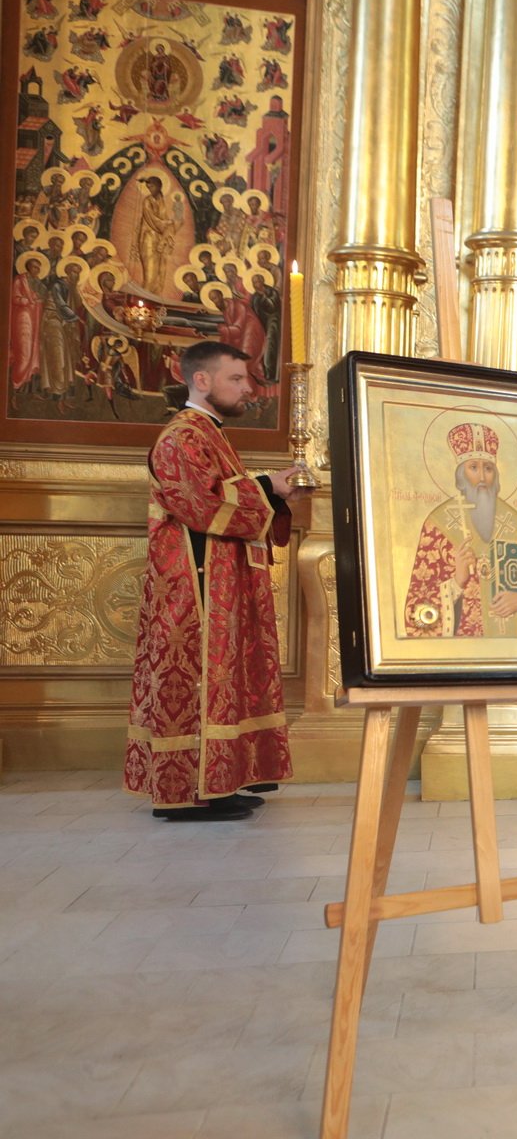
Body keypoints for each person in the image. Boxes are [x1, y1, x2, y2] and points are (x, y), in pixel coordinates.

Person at [125, 341, 304, 821]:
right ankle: (187, 794)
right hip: (192, 587)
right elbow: (200, 504)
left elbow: (225, 494)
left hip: (220, 581)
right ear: (201, 380)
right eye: (236, 379)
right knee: (195, 681)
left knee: (223, 679)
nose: (248, 389)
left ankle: (220, 782)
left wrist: (271, 490)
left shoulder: (209, 433)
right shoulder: (180, 437)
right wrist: (267, 486)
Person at [402, 421, 517, 638]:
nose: (481, 477)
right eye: (473, 467)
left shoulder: (516, 524)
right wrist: (456, 582)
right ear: (461, 474)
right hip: (463, 650)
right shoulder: (437, 525)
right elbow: (416, 612)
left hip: (514, 648)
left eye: (488, 468)